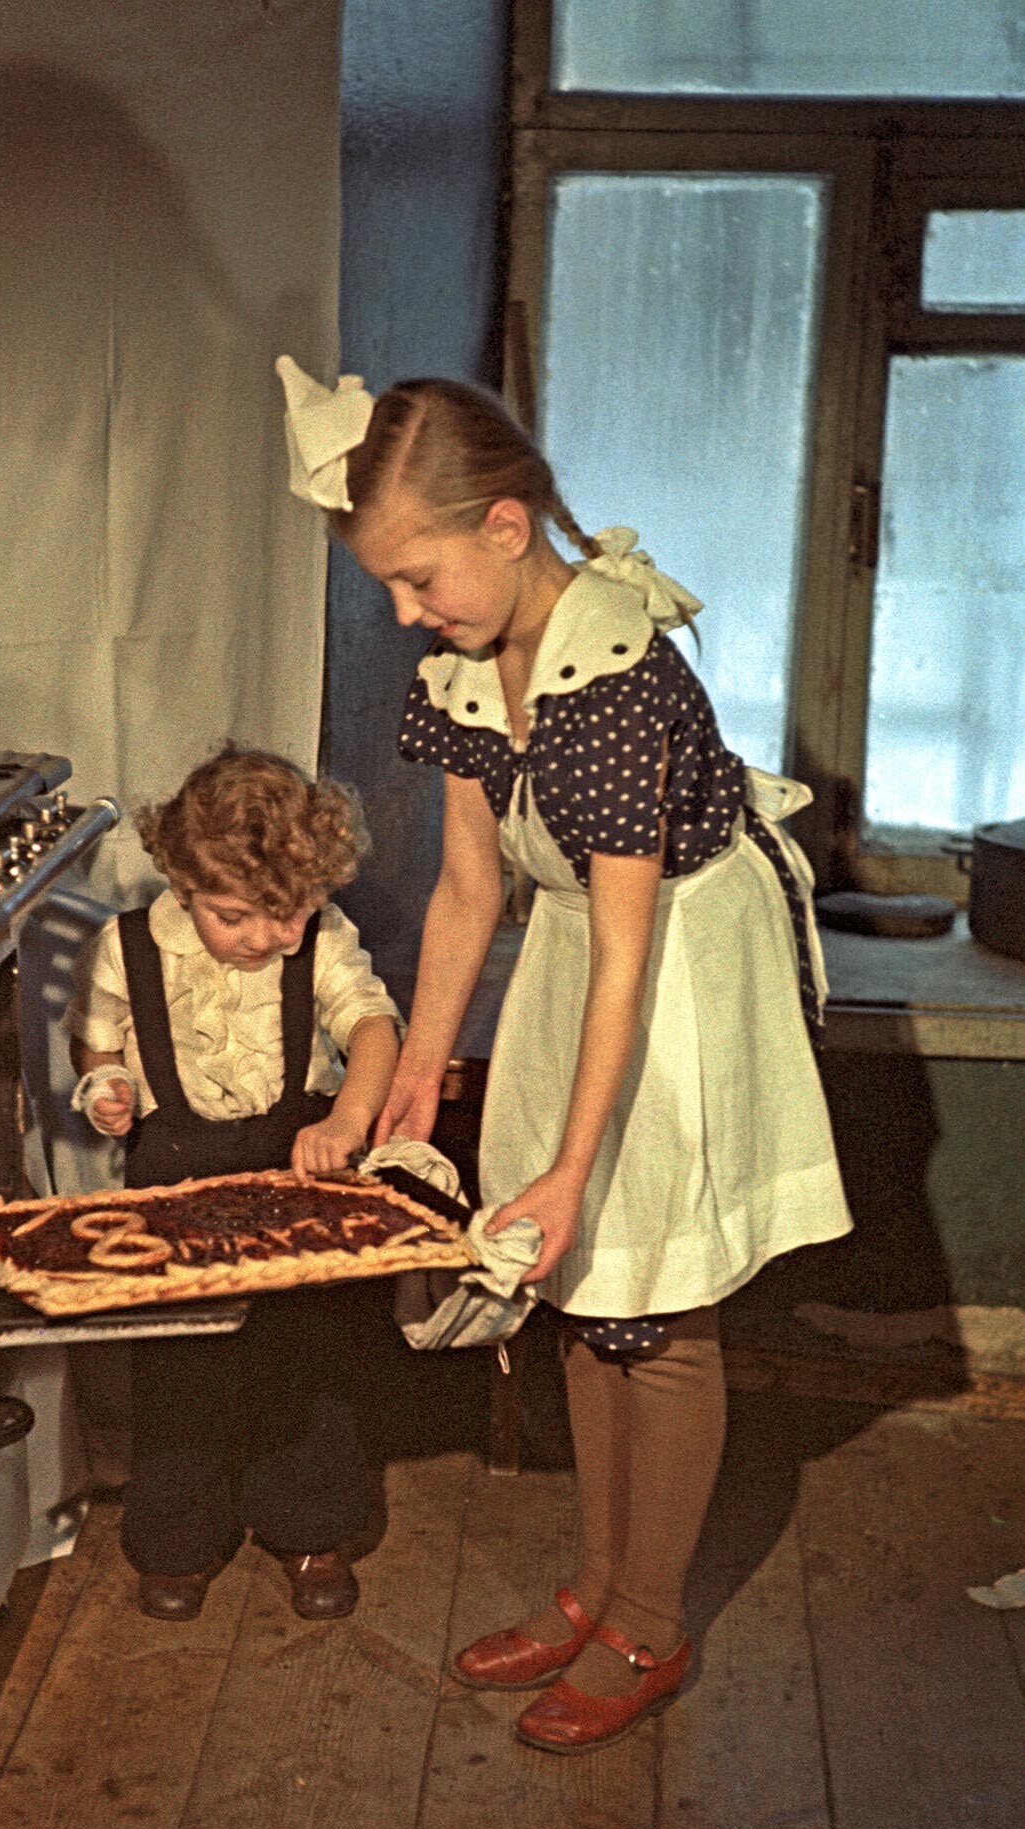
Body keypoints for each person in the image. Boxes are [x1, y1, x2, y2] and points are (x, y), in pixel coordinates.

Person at [275, 356, 851, 1750]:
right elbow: (474, 887)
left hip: (675, 978)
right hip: (575, 957)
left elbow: (630, 941)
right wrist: (420, 1064)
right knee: (572, 1276)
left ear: (506, 526)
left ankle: (651, 1618)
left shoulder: (613, 679)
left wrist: (575, 1157)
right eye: (390, 591)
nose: (409, 613)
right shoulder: (477, 667)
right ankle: (595, 1587)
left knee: (658, 1301)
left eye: (419, 580)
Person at [64, 743, 402, 1624]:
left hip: (293, 1164)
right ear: (181, 881)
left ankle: (311, 1527)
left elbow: (371, 1027)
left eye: (285, 916)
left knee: (306, 1359)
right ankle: (178, 1540)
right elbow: (97, 1043)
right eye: (235, 917)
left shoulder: (320, 941)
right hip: (172, 1169)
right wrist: (106, 1086)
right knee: (182, 1367)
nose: (263, 937)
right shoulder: (127, 946)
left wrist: (343, 1123)